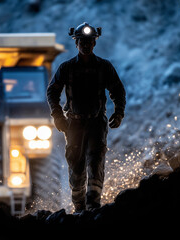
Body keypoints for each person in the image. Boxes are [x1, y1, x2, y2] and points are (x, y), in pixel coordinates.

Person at [47, 22, 126, 212]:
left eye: (89, 41)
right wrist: (58, 116)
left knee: (96, 160)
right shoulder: (66, 68)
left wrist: (119, 112)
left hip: (97, 122)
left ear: (94, 43)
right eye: (82, 41)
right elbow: (52, 92)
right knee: (76, 166)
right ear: (76, 43)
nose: (85, 44)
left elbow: (117, 90)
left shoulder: (104, 67)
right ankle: (79, 206)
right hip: (73, 123)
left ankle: (93, 206)